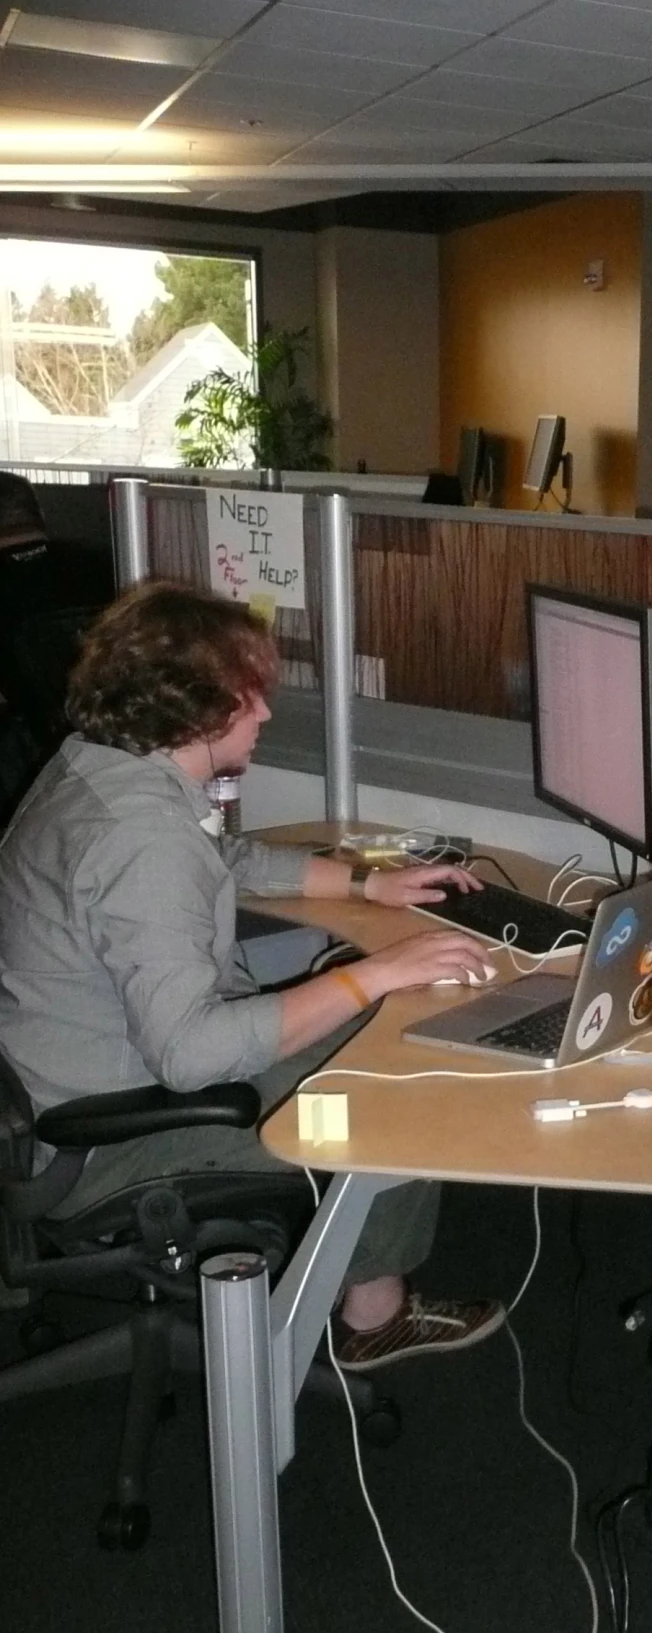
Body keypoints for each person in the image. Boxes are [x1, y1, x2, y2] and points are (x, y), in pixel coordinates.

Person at [0, 581, 505, 1369]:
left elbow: (220, 858)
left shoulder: (94, 772)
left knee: (367, 1014)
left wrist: (369, 887)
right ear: (195, 709)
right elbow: (193, 1055)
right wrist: (372, 975)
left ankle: (367, 1282)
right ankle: (374, 1319)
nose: (265, 713)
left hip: (60, 1094)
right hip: (114, 1138)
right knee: (394, 1088)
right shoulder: (142, 839)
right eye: (249, 696)